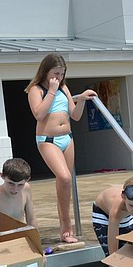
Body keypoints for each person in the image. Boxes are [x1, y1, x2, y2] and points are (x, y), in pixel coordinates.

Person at [26, 52, 97, 244]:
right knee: (64, 177)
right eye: (55, 73)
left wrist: (81, 99)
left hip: (67, 138)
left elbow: (74, 116)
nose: (58, 77)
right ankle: (66, 225)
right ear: (46, 71)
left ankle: (65, 229)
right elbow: (39, 114)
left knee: (65, 183)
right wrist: (51, 90)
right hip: (48, 140)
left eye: (62, 74)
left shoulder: (64, 88)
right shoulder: (36, 89)